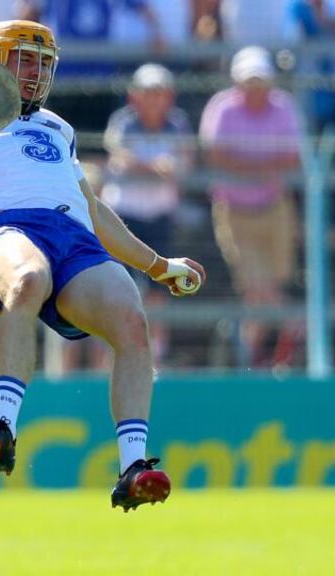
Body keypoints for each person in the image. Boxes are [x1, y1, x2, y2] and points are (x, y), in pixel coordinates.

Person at [0, 20, 205, 511]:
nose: (36, 72)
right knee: (28, 280)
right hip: (12, 231)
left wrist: (158, 265)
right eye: (24, 59)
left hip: (74, 240)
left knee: (132, 322)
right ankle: (3, 428)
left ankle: (133, 466)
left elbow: (93, 210)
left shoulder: (59, 128)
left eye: (43, 63)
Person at [199, 46, 303, 368]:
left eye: (260, 81)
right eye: (249, 81)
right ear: (237, 81)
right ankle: (290, 329)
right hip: (235, 211)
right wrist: (263, 169)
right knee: (260, 291)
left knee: (262, 293)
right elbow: (215, 156)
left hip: (276, 209)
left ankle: (254, 361)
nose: (255, 88)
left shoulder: (284, 107)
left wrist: (244, 167)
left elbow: (294, 158)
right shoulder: (222, 108)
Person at [101, 63, 194, 365]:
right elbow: (120, 158)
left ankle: (156, 359)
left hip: (159, 218)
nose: (154, 99)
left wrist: (145, 167)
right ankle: (114, 356)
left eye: (159, 93)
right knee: (119, 291)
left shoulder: (178, 125)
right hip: (123, 219)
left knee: (159, 292)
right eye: (148, 92)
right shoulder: (123, 122)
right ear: (135, 97)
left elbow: (182, 167)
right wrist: (157, 168)